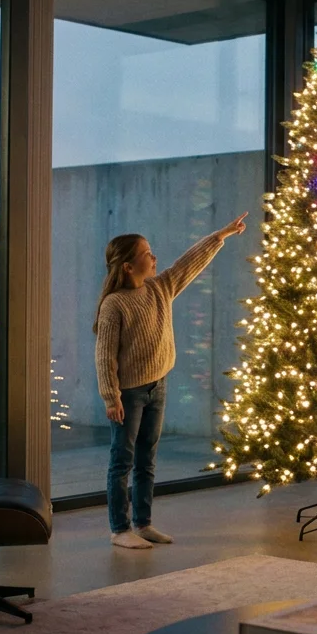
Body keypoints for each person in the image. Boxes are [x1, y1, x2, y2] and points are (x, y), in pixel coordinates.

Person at [94, 212, 248, 549]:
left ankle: (143, 523)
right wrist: (111, 397)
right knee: (123, 460)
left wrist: (220, 236)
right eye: (146, 253)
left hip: (157, 386)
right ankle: (120, 530)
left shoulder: (160, 288)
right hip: (129, 394)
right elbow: (104, 355)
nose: (154, 257)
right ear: (128, 267)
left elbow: (188, 263)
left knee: (147, 458)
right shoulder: (114, 305)